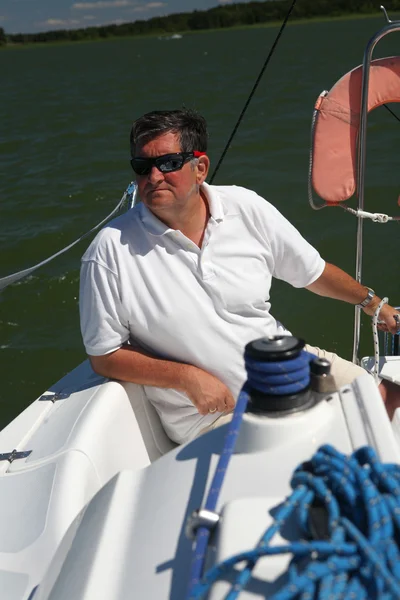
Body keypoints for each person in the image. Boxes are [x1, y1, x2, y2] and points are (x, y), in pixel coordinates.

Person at [79, 108, 400, 444]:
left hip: (296, 368)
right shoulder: (109, 251)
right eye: (142, 167)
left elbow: (313, 273)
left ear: (200, 168)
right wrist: (186, 378)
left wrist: (372, 302)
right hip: (215, 416)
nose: (154, 176)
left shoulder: (246, 207)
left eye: (169, 163)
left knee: (393, 406)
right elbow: (104, 356)